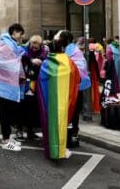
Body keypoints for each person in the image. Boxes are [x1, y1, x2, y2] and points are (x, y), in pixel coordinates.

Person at [36, 30, 80, 159]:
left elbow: (40, 82)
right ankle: (60, 150)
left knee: (50, 123)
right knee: (61, 123)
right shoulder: (69, 62)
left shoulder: (46, 62)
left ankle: (52, 150)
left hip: (50, 100)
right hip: (64, 100)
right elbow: (77, 79)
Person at [0, 23, 26, 151]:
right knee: (6, 113)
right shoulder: (6, 43)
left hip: (8, 83)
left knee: (8, 112)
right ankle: (5, 140)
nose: (20, 37)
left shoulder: (8, 43)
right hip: (5, 84)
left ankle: (7, 138)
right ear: (15, 31)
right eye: (20, 34)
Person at [62, 31, 91, 148]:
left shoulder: (70, 50)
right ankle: (73, 135)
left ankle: (72, 135)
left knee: (72, 111)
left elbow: (71, 66)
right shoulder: (73, 49)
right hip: (75, 86)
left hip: (72, 86)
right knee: (74, 112)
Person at [18, 35, 48, 140]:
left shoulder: (44, 52)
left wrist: (41, 61)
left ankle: (30, 131)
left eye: (36, 47)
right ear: (29, 44)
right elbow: (21, 59)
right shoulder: (23, 50)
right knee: (22, 106)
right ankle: (20, 130)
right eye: (33, 47)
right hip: (25, 83)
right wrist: (31, 60)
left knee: (33, 107)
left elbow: (46, 61)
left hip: (37, 83)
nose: (34, 49)